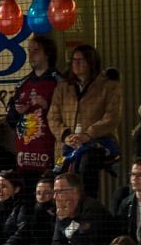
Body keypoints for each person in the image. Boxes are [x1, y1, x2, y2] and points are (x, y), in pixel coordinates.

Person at [50, 43, 124, 199]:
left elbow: (112, 117)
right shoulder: (63, 87)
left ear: (91, 62)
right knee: (61, 181)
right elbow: (53, 116)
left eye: (81, 60)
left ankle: (89, 208)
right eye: (74, 60)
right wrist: (65, 135)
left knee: (86, 168)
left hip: (97, 143)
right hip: (67, 144)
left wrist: (87, 135)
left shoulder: (109, 85)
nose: (76, 64)